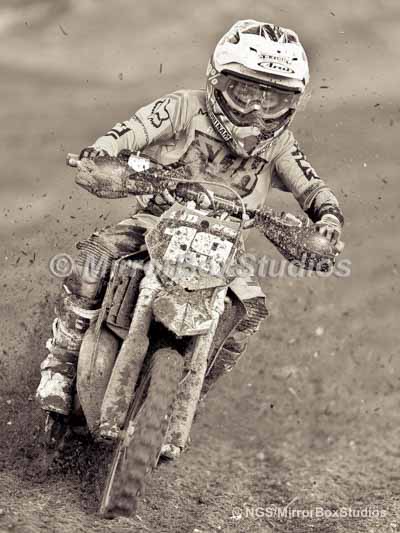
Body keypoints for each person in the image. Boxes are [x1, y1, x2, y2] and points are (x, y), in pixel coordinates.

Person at [36, 19, 344, 439]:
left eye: (272, 100)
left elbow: (312, 186)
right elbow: (131, 131)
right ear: (218, 81)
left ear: (292, 103)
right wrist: (103, 153)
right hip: (156, 220)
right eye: (244, 92)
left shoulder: (281, 145)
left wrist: (328, 218)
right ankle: (62, 361)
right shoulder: (183, 107)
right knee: (96, 257)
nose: (256, 111)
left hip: (225, 247)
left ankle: (190, 391)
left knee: (250, 310)